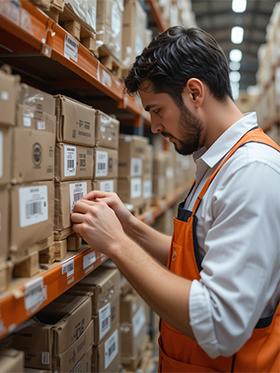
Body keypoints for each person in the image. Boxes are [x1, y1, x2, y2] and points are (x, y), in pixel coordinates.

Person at [71, 26, 280, 372]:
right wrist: (130, 227)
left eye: (156, 110)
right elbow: (196, 254)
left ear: (194, 92)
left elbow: (219, 322)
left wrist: (117, 245)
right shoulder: (218, 162)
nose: (153, 126)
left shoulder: (252, 173)